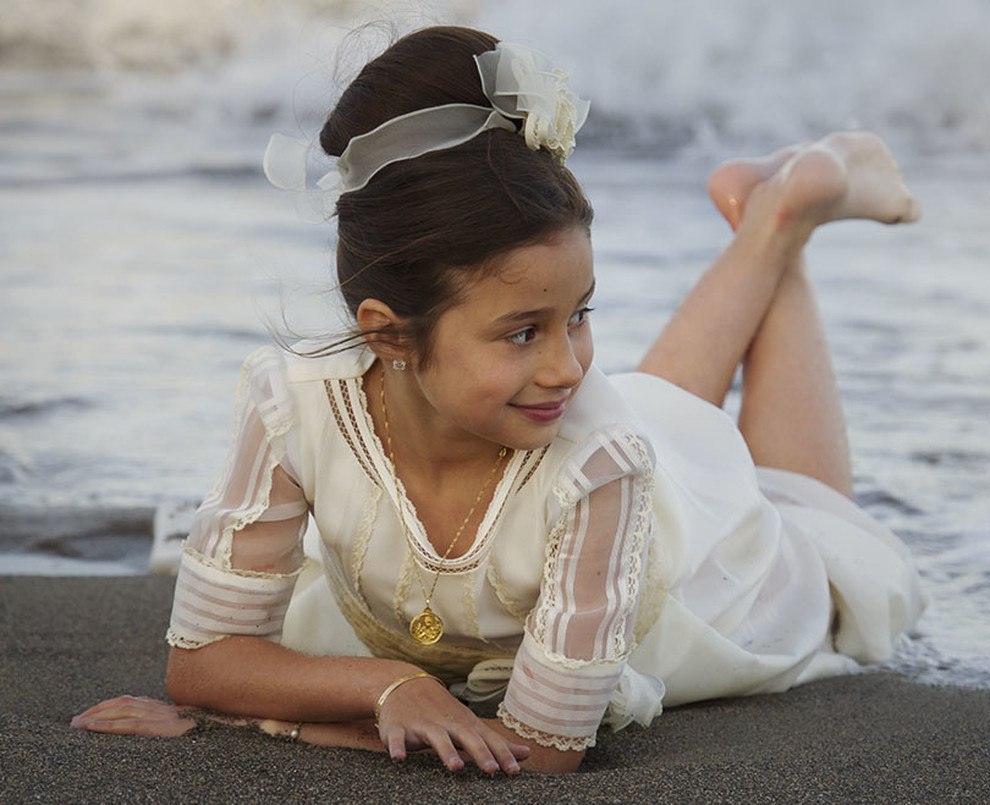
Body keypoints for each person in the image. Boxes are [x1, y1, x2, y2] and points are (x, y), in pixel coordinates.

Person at [71, 25, 925, 775]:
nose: (568, 362)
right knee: (637, 405)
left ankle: (785, 223)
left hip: (687, 584)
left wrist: (287, 720)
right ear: (388, 335)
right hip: (554, 484)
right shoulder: (295, 403)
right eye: (525, 329)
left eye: (581, 315)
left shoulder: (594, 455)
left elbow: (543, 748)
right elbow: (202, 661)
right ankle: (772, 212)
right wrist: (388, 685)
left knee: (809, 527)